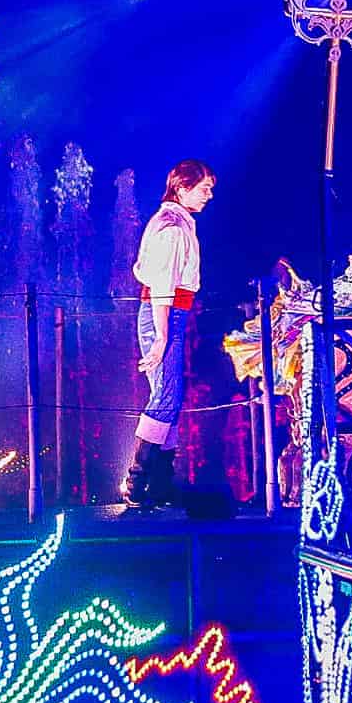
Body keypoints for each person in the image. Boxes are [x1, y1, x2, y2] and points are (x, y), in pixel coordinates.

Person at [123, 159, 215, 508]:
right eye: (204, 187)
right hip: (163, 314)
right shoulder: (171, 228)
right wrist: (162, 337)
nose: (209, 194)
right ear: (181, 187)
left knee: (170, 397)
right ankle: (138, 482)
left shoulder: (177, 223)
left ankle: (159, 484)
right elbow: (162, 288)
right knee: (164, 397)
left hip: (171, 314)